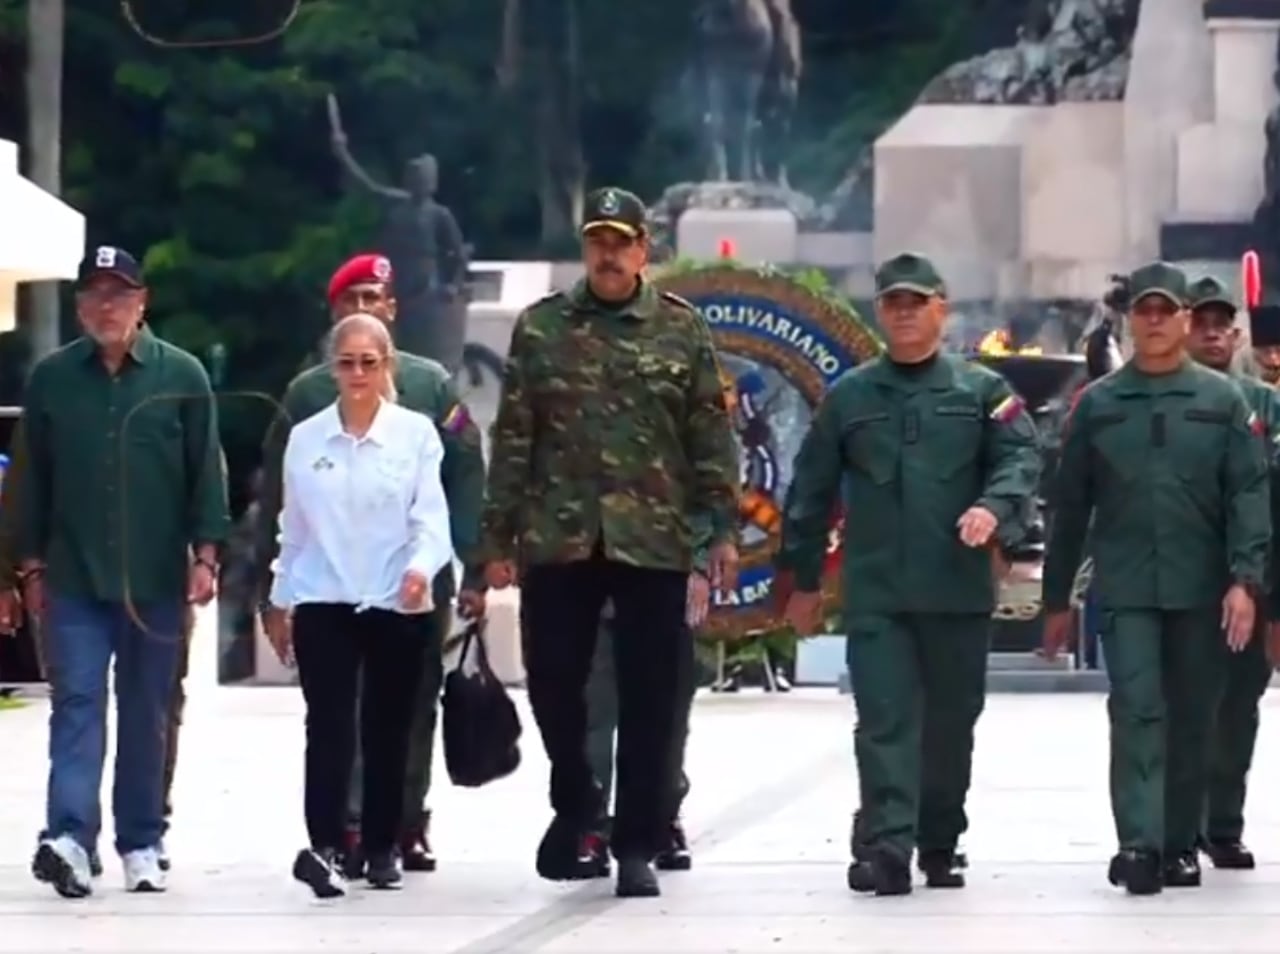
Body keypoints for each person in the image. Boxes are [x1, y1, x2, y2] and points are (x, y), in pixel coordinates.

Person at [480, 186, 740, 898]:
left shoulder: (680, 330)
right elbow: (513, 439)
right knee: (555, 682)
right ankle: (578, 796)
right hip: (560, 538)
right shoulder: (542, 329)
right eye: (598, 240)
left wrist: (718, 528)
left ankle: (637, 843)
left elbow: (709, 436)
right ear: (585, 248)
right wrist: (495, 536)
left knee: (655, 696)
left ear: (643, 250)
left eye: (622, 242)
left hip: (651, 539)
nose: (609, 253)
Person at [779, 252, 1040, 897]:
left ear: (940, 311)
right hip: (880, 594)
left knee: (951, 725)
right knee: (884, 720)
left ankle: (939, 840)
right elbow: (810, 492)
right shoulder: (851, 397)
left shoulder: (982, 392)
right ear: (880, 312)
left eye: (916, 303)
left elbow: (1021, 458)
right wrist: (803, 582)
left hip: (956, 591)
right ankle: (888, 843)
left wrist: (993, 512)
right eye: (893, 303)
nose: (904, 314)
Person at [1041, 262, 1270, 895]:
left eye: (1167, 311)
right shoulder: (1100, 405)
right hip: (1128, 587)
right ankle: (1138, 843)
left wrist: (1244, 582)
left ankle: (1178, 844)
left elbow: (1247, 498)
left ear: (1185, 321)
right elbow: (1070, 507)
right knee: (1137, 709)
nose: (1155, 321)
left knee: (1194, 715)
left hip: (1202, 589)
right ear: (1132, 319)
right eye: (1144, 310)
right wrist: (1056, 598)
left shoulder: (1225, 403)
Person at [256, 253, 486, 877]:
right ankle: (340, 833)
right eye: (350, 300)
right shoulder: (306, 398)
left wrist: (472, 563)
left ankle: (402, 826)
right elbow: (283, 510)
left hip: (410, 585)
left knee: (406, 712)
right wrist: (271, 593)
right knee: (331, 720)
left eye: (374, 298)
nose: (362, 311)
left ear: (392, 311)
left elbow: (461, 476)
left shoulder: (432, 386)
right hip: (328, 588)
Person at [17, 245, 228, 899]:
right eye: (95, 294)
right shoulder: (51, 380)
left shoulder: (183, 375)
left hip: (155, 582)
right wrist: (23, 568)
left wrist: (206, 555)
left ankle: (142, 839)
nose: (107, 306)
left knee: (147, 711)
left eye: (120, 293)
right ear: (79, 305)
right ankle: (70, 840)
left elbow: (206, 475)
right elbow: (27, 482)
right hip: (72, 578)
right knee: (76, 707)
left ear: (143, 303)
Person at [1185, 276, 1280, 870]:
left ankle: (1222, 826)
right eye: (1202, 322)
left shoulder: (1264, 405)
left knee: (1237, 708)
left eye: (1223, 324)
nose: (1213, 333)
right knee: (1180, 708)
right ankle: (1177, 825)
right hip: (1182, 579)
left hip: (1254, 578)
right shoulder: (1158, 396)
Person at [584, 551, 710, 875]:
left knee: (665, 717)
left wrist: (698, 565)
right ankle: (590, 822)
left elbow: (703, 503)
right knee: (592, 716)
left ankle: (662, 814)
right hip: (588, 576)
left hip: (663, 573)